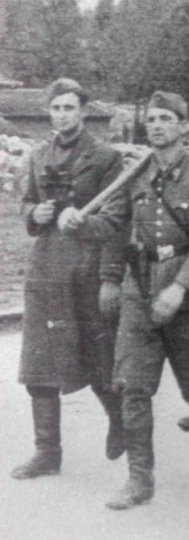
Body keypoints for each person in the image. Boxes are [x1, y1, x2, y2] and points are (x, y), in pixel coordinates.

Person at [62, 91, 189, 510]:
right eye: (151, 119)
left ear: (183, 125)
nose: (156, 125)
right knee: (132, 387)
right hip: (139, 289)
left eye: (166, 118)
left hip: (188, 297)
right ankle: (139, 479)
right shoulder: (133, 172)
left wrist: (180, 287)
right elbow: (113, 226)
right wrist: (78, 222)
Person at [12, 78, 126, 480]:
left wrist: (85, 225)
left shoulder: (106, 156)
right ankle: (47, 452)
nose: (62, 115)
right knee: (39, 361)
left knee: (94, 356)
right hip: (45, 268)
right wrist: (34, 214)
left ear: (83, 111)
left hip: (86, 267)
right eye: (56, 108)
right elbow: (26, 199)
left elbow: (117, 219)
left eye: (69, 107)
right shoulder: (38, 154)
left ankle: (120, 420)